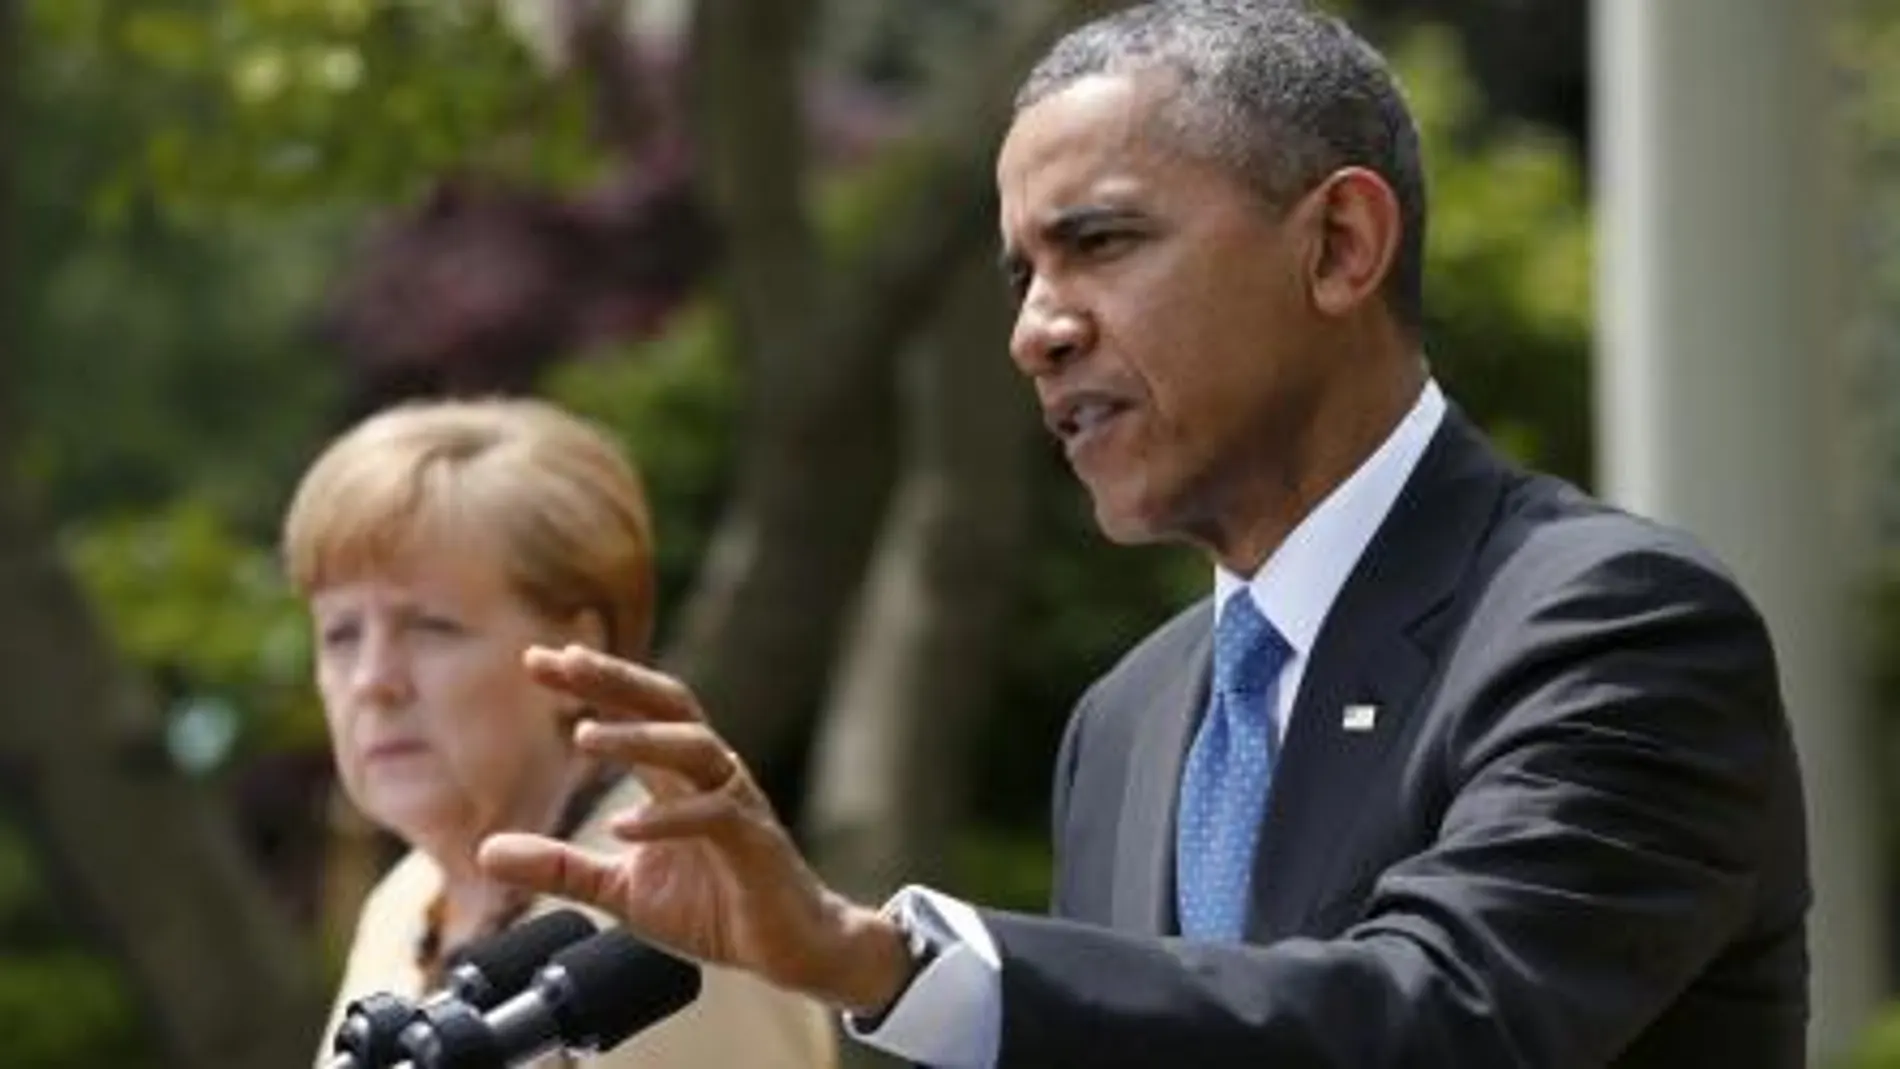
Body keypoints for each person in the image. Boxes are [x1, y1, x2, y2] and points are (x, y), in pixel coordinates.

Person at [475, 3, 1812, 1066]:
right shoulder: (1129, 720)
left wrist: (881, 957)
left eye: (1101, 242)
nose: (1035, 329)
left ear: (1341, 245)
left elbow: (1436, 1020)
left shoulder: (1614, 627)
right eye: (1022, 276)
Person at [282, 397, 839, 1068]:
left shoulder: (679, 914)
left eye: (432, 627)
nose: (373, 679)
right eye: (341, 633)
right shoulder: (404, 903)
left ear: (576, 653)